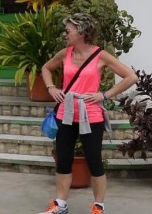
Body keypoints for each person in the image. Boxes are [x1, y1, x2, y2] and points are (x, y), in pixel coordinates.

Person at [38, 13, 138, 214]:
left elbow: (131, 77)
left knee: (94, 160)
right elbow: (46, 68)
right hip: (66, 113)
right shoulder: (65, 53)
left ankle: (98, 206)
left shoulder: (100, 55)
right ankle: (60, 204)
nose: (65, 34)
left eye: (68, 30)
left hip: (91, 115)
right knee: (63, 159)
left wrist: (105, 95)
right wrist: (51, 87)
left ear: (81, 32)